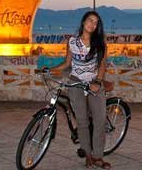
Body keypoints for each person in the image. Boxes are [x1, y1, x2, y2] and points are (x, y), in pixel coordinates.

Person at [46, 10, 111, 169]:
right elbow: (67, 63)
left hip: (94, 83)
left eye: (96, 23)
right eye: (90, 20)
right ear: (83, 22)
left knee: (100, 121)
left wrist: (97, 81)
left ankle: (98, 157)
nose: (92, 24)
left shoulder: (100, 44)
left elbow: (102, 66)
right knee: (81, 121)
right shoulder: (72, 42)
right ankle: (88, 155)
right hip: (76, 83)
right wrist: (50, 70)